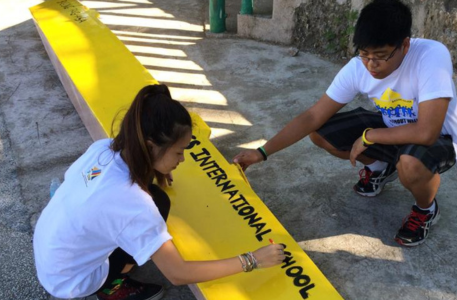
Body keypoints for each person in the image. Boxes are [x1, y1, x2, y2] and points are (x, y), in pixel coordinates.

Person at [234, 0, 457, 247]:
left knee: (410, 164)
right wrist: (262, 152)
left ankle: (426, 209)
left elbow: (426, 132)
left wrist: (370, 136)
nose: (371, 65)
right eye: (364, 55)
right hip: (392, 129)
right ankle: (380, 169)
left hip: (441, 139)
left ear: (405, 45)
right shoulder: (358, 68)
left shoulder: (431, 55)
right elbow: (313, 116)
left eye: (380, 56)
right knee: (320, 132)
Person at [33, 84, 285, 300]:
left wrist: (157, 167)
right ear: (151, 146)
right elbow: (178, 273)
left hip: (52, 256)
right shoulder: (133, 204)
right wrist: (252, 259)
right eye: (178, 152)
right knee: (156, 204)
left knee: (159, 198)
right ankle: (112, 287)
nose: (182, 159)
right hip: (71, 280)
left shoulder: (104, 149)